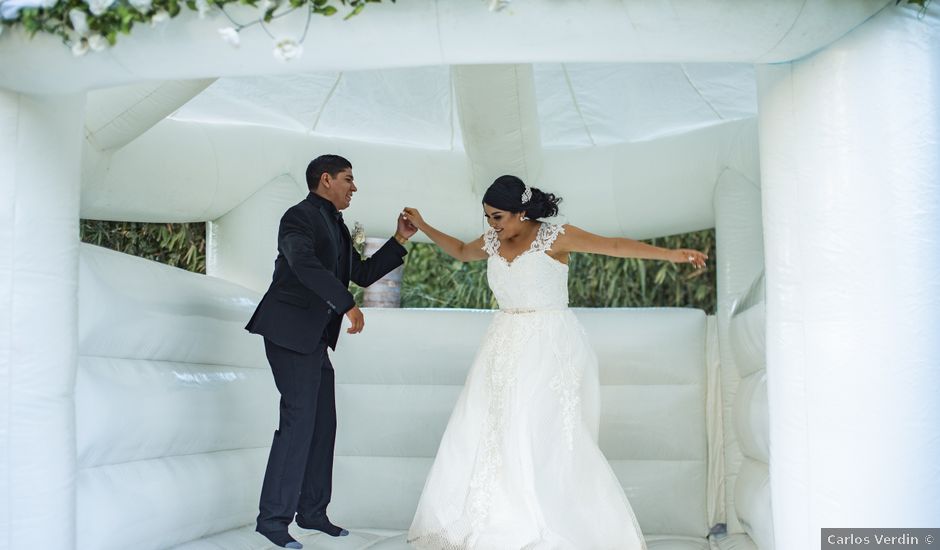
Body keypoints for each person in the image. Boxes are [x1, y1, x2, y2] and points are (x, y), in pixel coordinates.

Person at [402, 175, 707, 549]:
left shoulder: (555, 236)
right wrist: (424, 225)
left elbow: (612, 245)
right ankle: (501, 518)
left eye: (497, 217)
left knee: (539, 430)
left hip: (549, 341)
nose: (491, 225)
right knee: (490, 427)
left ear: (522, 211)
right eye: (488, 217)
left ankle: (554, 521)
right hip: (502, 342)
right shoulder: (493, 241)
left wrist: (673, 255)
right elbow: (463, 251)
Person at [245, 154, 417, 549]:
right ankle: (272, 522)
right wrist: (346, 304)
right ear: (326, 179)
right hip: (288, 332)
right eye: (348, 180)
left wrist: (400, 239)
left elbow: (361, 272)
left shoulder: (335, 224)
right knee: (298, 423)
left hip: (314, 339)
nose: (354, 187)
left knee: (323, 424)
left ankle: (313, 512)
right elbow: (303, 264)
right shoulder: (297, 217)